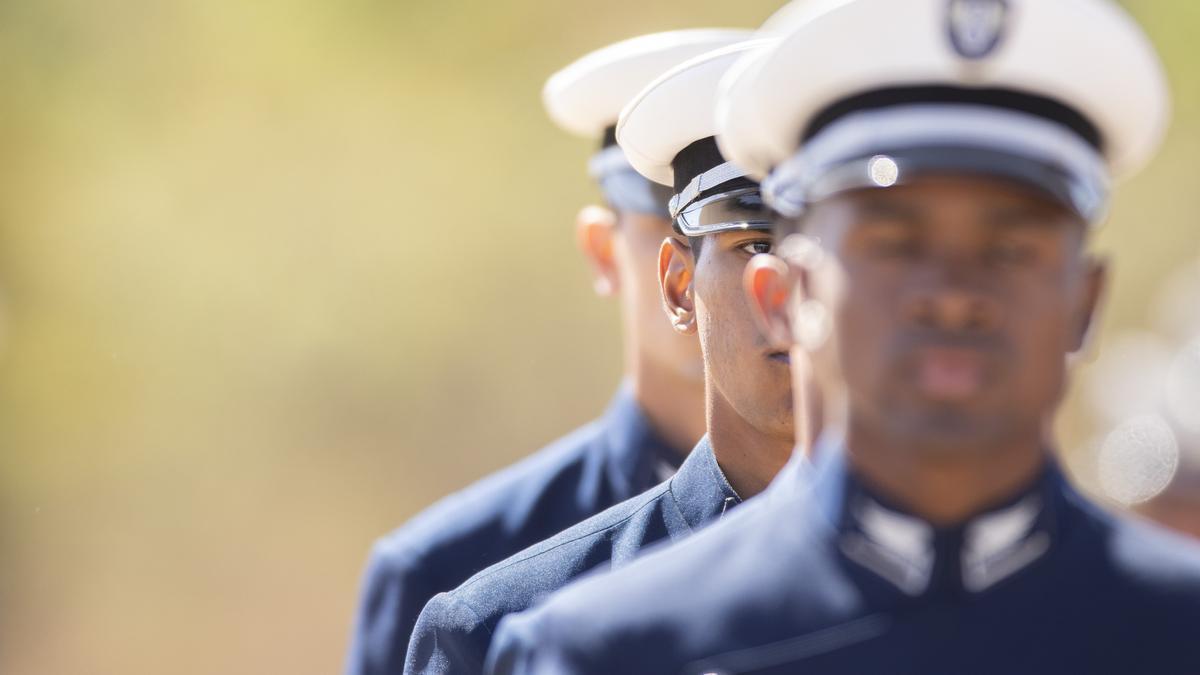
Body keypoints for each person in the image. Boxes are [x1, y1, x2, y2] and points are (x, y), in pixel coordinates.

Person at [486, 1, 1200, 673]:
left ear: (1086, 299)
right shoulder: (610, 651)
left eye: (1010, 248)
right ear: (786, 295)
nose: (953, 296)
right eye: (895, 243)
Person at [342, 29, 746, 675]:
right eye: (683, 234)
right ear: (603, 250)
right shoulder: (451, 574)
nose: (734, 274)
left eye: (765, 237)